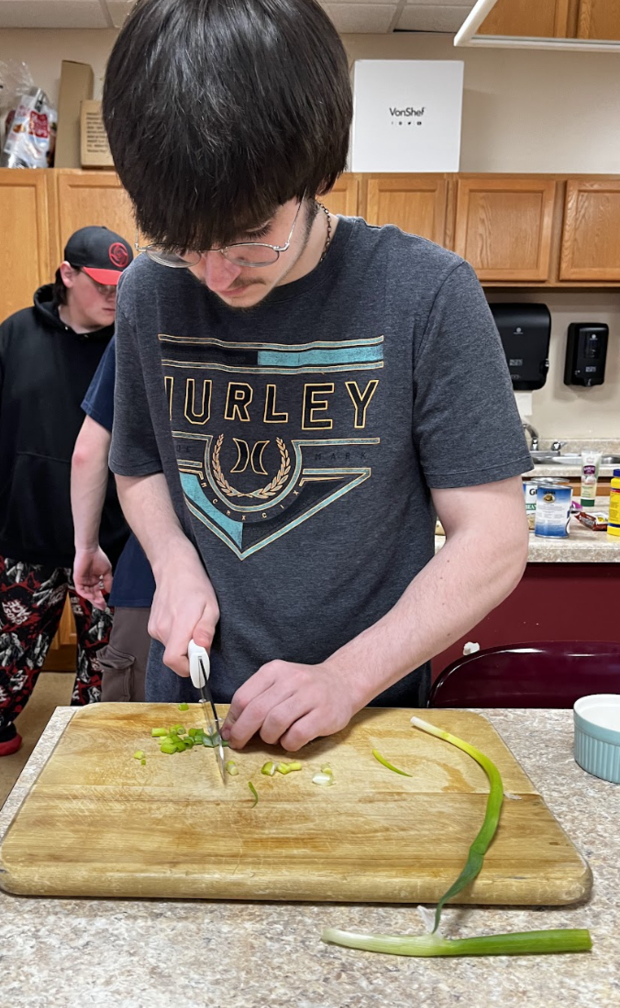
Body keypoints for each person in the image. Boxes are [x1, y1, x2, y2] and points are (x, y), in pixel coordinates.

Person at [95, 0, 531, 753]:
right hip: (193, 701)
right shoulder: (147, 292)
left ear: (317, 173)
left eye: (248, 236)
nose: (216, 274)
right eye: (182, 244)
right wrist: (173, 563)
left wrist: (343, 677)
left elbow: (491, 537)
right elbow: (136, 466)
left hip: (364, 715)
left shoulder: (425, 292)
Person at [0, 226, 133, 761]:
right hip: (30, 526)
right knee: (16, 639)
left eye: (121, 286)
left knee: (103, 651)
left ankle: (89, 738)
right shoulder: (15, 336)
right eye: (102, 284)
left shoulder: (129, 344)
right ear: (67, 275)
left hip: (109, 535)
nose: (113, 296)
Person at [71, 344, 156, 701]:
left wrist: (87, 547)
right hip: (276, 589)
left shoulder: (145, 312)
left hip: (150, 576)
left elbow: (87, 451)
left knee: (138, 731)